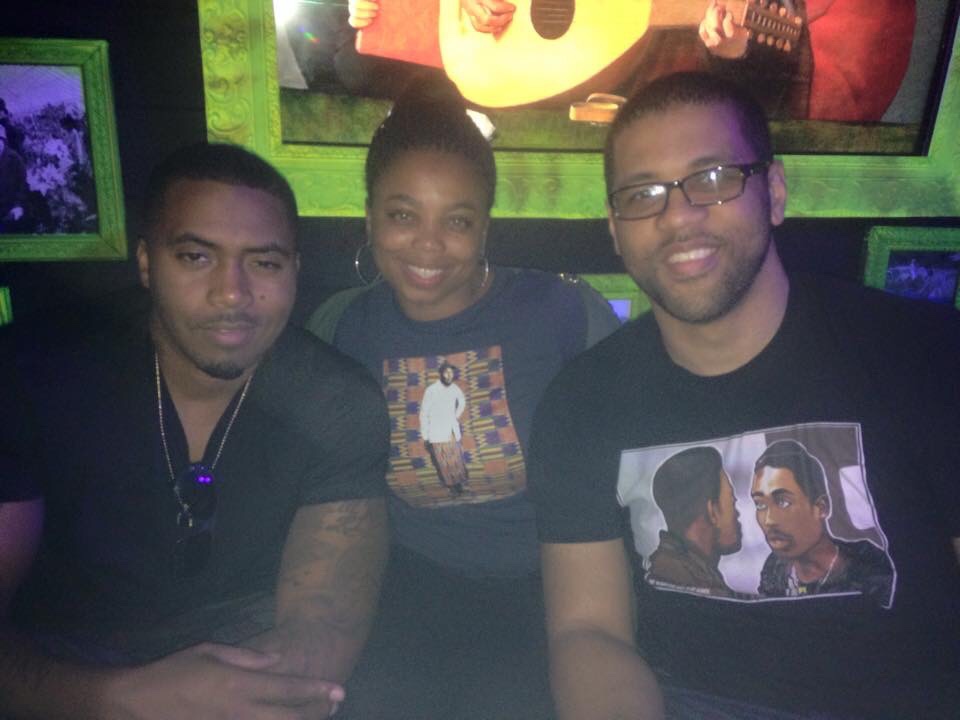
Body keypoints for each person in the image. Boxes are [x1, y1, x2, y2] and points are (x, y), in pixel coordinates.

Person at [529, 71, 960, 720]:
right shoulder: (580, 403)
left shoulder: (924, 354)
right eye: (643, 194)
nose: (678, 215)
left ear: (775, 192)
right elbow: (588, 632)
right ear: (615, 229)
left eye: (712, 178)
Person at [0, 142, 391, 719]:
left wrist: (237, 698)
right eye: (196, 257)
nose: (232, 292)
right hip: (65, 665)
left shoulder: (336, 400)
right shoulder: (34, 375)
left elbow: (322, 628)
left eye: (264, 263)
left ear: (295, 271)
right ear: (146, 263)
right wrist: (124, 698)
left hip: (244, 651)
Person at [306, 78, 620, 718]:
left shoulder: (563, 312)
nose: (428, 245)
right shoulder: (341, 326)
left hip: (554, 589)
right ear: (369, 217)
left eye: (457, 221)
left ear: (485, 227)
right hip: (407, 588)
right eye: (402, 215)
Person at [751, 439, 894, 605]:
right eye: (760, 504)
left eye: (783, 502)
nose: (769, 520)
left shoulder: (869, 567)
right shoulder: (774, 567)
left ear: (821, 507)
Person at [647, 446, 742, 597]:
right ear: (712, 512)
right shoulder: (695, 583)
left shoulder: (665, 570)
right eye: (732, 501)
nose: (737, 514)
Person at [419, 362, 470, 495]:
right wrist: (425, 436)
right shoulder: (431, 390)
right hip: (437, 433)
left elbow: (462, 401)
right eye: (446, 372)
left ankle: (458, 483)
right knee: (443, 462)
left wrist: (455, 416)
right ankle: (451, 486)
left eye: (451, 372)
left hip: (451, 431)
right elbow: (424, 413)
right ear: (441, 373)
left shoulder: (454, 388)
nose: (449, 375)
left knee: (455, 459)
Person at [0, 123, 29, 233]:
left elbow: (23, 186)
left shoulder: (15, 159)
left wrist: (17, 206)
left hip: (7, 213)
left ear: (3, 141)